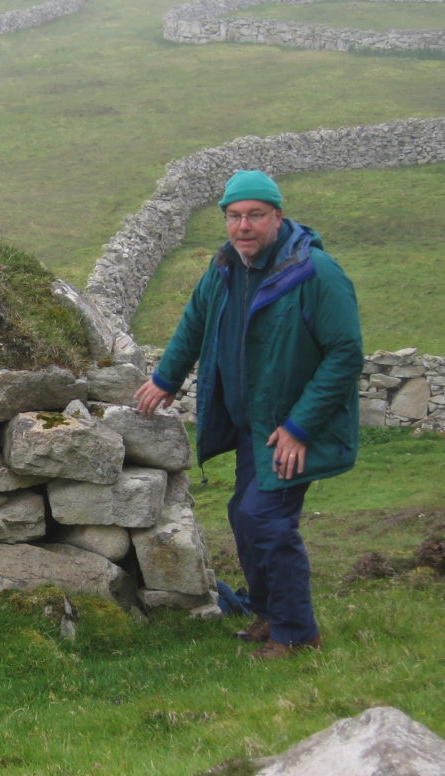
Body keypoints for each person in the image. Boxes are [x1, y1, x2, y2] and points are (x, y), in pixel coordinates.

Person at [134, 170, 363, 659]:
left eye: (255, 215)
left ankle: (297, 633)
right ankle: (269, 613)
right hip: (249, 425)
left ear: (277, 217)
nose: (244, 226)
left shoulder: (315, 273)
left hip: (287, 428)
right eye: (235, 216)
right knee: (245, 514)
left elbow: (346, 354)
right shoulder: (224, 268)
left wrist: (301, 428)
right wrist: (165, 379)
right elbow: (194, 323)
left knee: (266, 519)